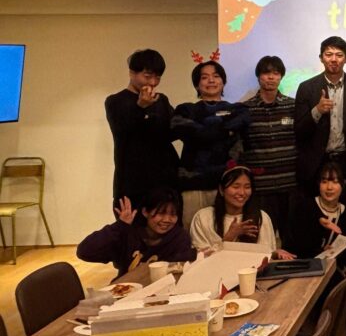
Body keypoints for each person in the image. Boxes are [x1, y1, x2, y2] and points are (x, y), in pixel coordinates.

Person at [294, 36, 346, 236]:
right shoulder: (306, 88)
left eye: (339, 55)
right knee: (314, 218)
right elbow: (299, 130)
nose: (333, 59)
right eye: (329, 54)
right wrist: (317, 110)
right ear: (321, 58)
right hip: (316, 163)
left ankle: (345, 253)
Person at [172, 57, 250, 227]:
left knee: (227, 233)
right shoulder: (185, 110)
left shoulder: (238, 110)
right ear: (196, 84)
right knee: (192, 232)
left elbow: (242, 123)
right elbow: (180, 128)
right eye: (204, 77)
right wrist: (225, 130)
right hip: (193, 184)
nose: (211, 81)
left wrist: (200, 130)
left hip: (228, 184)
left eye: (216, 76)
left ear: (223, 81)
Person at [104, 49, 178, 209]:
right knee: (132, 224)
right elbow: (122, 132)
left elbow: (172, 132)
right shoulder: (115, 101)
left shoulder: (161, 100)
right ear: (132, 73)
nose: (153, 82)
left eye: (157, 77)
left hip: (165, 179)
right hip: (132, 184)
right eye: (147, 76)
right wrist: (140, 107)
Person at [77, 187, 195, 276]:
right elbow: (85, 252)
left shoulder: (179, 237)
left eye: (173, 214)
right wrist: (120, 226)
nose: (167, 220)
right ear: (145, 212)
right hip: (126, 292)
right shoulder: (128, 235)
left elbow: (183, 268)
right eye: (161, 213)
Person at [242, 55, 297, 239]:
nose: (271, 77)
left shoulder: (293, 105)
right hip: (260, 187)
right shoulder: (245, 109)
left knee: (291, 238)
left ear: (281, 77)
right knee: (262, 238)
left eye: (276, 73)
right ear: (259, 77)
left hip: (290, 184)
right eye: (266, 73)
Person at [190, 165, 294, 259]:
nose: (242, 193)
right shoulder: (203, 218)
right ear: (221, 190)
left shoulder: (261, 217)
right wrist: (229, 237)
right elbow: (200, 259)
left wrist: (274, 253)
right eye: (236, 187)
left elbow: (264, 255)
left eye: (247, 187)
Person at [284, 160, 346, 263]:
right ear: (318, 183)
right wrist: (321, 250)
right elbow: (296, 247)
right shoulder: (305, 207)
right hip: (304, 265)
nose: (329, 187)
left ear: (344, 184)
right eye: (324, 182)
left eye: (335, 182)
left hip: (333, 268)